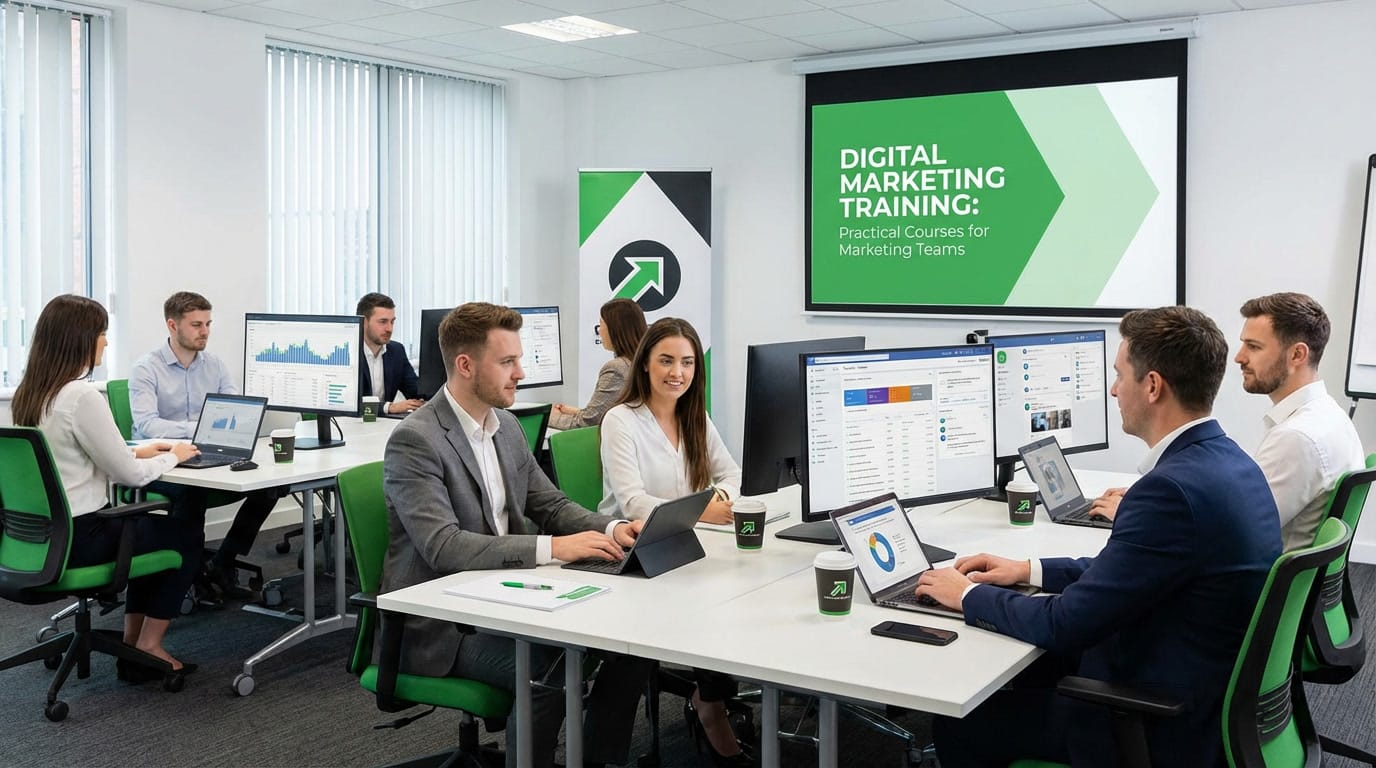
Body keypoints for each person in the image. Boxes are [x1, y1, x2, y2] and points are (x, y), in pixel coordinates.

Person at [918, 306, 1281, 766]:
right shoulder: (1230, 461)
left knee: (961, 724)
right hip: (1208, 695)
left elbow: (1064, 624)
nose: (1113, 390)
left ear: (1152, 386)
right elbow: (1130, 571)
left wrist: (966, 595)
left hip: (1159, 724)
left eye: (1119, 375)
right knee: (1031, 673)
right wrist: (1028, 570)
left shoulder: (1169, 491)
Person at [381, 302, 650, 768]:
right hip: (444, 623)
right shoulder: (416, 440)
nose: (521, 373)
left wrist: (613, 527)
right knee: (547, 671)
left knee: (629, 643)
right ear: (466, 365)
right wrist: (554, 547)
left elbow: (550, 505)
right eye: (507, 362)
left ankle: (598, 761)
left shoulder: (505, 425)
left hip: (507, 595)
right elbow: (444, 547)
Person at [11, 295, 202, 681]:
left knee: (149, 532)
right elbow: (131, 476)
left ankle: (132, 644)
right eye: (101, 333)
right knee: (183, 537)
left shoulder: (29, 395)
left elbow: (68, 455)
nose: (106, 341)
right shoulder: (81, 396)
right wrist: (173, 456)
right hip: (83, 539)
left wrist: (140, 450)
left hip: (39, 540)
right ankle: (147, 646)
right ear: (80, 339)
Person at [1090, 293, 1365, 552]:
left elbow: (1234, 528)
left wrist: (1133, 515)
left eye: (1254, 347)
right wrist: (1152, 501)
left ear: (1297, 355)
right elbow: (1227, 506)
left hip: (1251, 580)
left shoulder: (1298, 438)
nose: (1239, 357)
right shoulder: (1329, 416)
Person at [597, 317, 749, 765]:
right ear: (645, 363)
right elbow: (632, 502)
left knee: (733, 593)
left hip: (686, 544)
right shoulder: (621, 420)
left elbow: (732, 474)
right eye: (666, 361)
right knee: (710, 598)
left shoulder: (693, 414)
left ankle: (711, 698)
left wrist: (720, 498)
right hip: (632, 552)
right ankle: (711, 707)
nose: (677, 372)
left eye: (687, 362)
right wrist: (702, 509)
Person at [129, 291, 280, 599]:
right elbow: (147, 424)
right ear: (173, 325)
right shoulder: (146, 368)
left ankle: (224, 561)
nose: (205, 332)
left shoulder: (215, 365)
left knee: (270, 486)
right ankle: (189, 574)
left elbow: (236, 409)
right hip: (163, 462)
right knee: (191, 493)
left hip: (209, 452)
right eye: (196, 325)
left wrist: (218, 431)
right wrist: (200, 430)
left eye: (208, 324)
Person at [549, 298, 646, 430]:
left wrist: (548, 416)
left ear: (614, 329)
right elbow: (605, 414)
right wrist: (577, 412)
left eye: (601, 324)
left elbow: (587, 423)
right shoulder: (641, 363)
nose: (599, 331)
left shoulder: (617, 369)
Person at [357, 292, 424, 415]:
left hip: (384, 423)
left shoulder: (396, 351)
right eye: (383, 322)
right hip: (350, 423)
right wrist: (389, 407)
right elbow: (346, 404)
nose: (389, 329)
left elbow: (415, 391)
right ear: (364, 322)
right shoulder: (348, 353)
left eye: (392, 322)